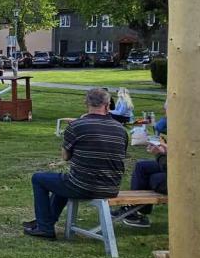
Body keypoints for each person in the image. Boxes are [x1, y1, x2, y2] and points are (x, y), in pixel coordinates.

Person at [25, 88, 128, 239]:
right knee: (62, 182)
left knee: (39, 178)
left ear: (86, 103)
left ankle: (45, 227)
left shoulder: (77, 126)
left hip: (84, 186)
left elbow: (65, 156)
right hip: (111, 187)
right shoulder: (121, 129)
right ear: (107, 105)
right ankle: (46, 221)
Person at [122, 122, 200, 228]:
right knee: (142, 166)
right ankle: (136, 210)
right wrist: (167, 150)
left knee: (154, 178)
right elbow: (186, 157)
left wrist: (159, 154)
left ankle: (135, 212)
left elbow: (179, 169)